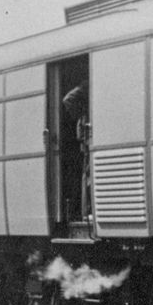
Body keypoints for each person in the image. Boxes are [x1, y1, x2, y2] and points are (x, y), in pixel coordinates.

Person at [62, 79, 91, 221]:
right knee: (88, 174)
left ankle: (87, 212)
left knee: (87, 174)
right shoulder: (87, 85)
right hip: (87, 136)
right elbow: (68, 99)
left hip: (86, 135)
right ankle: (87, 213)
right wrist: (84, 113)